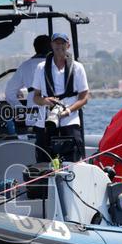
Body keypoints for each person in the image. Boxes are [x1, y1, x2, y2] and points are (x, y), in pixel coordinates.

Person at [32, 32, 90, 163]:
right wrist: (45, 101)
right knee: (44, 162)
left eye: (62, 43)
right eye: (56, 43)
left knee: (72, 162)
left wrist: (68, 111)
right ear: (51, 45)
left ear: (68, 45)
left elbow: (84, 97)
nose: (59, 46)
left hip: (70, 120)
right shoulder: (41, 68)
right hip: (45, 121)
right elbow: (35, 97)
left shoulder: (78, 67)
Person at [4, 34, 52, 134]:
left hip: (33, 118)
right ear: (51, 47)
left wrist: (21, 109)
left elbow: (9, 92)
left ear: (35, 48)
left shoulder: (25, 66)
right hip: (58, 118)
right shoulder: (58, 65)